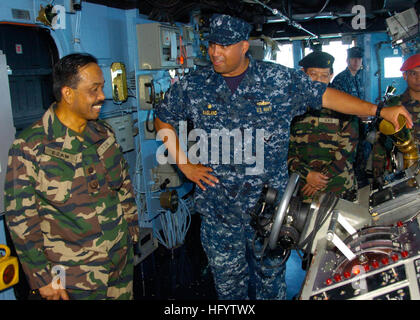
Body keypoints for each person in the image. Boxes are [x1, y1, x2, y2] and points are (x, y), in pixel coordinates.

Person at [154, 14, 412, 300]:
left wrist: (378, 111)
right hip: (219, 211)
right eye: (212, 44)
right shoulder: (194, 84)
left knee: (271, 282)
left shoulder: (277, 79)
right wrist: (186, 166)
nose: (215, 52)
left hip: (271, 208)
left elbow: (326, 96)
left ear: (243, 46)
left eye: (224, 45)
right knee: (228, 288)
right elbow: (163, 119)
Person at [4, 53, 139, 300]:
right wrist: (43, 280)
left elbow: (123, 186)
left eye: (102, 88)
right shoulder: (29, 147)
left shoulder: (103, 133)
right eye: (94, 89)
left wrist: (131, 232)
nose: (102, 96)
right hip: (73, 278)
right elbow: (21, 220)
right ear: (68, 93)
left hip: (119, 265)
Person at [288, 51, 358, 202]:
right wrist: (308, 175)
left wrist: (319, 180)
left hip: (339, 186)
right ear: (303, 74)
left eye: (324, 76)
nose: (318, 81)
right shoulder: (291, 106)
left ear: (331, 76)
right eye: (313, 74)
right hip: (304, 186)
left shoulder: (344, 105)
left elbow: (348, 150)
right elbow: (286, 150)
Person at [372, 53, 420, 177]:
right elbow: (380, 141)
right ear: (405, 75)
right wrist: (377, 173)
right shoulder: (393, 106)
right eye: (413, 73)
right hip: (404, 168)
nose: (418, 78)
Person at [331, 46, 371, 188]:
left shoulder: (359, 78)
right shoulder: (341, 79)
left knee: (362, 156)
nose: (356, 62)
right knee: (348, 158)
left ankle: (360, 183)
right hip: (346, 127)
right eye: (353, 59)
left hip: (360, 126)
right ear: (347, 60)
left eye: (358, 59)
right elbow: (337, 106)